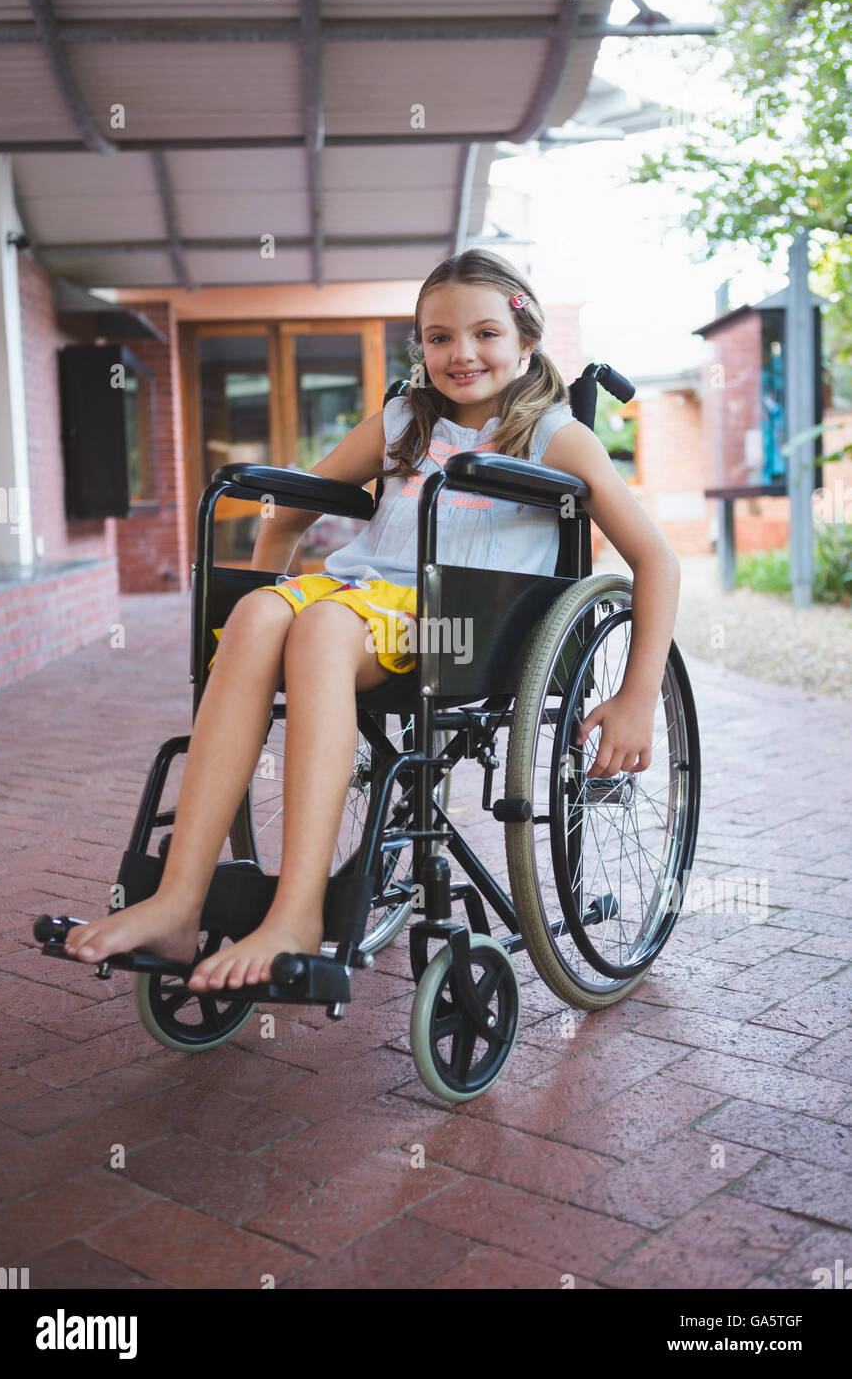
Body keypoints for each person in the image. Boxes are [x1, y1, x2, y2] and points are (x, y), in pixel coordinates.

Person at [63, 249, 680, 991]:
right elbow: (290, 511)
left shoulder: (553, 436)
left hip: (460, 626)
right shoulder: (400, 424)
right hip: (362, 600)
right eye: (440, 337)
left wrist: (636, 698)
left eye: (486, 333)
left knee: (321, 627)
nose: (462, 353)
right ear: (421, 347)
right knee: (259, 613)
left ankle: (296, 914)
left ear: (527, 343)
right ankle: (177, 902)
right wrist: (267, 609)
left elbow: (656, 559)